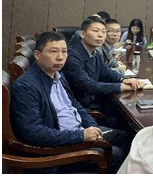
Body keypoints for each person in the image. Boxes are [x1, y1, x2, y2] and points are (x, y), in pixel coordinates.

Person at [10, 32, 131, 173]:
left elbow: (74, 105)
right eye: (54, 51)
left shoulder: (58, 75)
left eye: (64, 51)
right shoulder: (26, 86)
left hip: (77, 132)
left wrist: (93, 126)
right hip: (57, 148)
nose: (60, 57)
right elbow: (34, 133)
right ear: (37, 55)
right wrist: (81, 136)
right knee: (115, 154)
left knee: (126, 137)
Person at [62, 16, 146, 111]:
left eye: (103, 32)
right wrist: (122, 86)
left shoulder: (95, 53)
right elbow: (88, 86)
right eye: (95, 31)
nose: (100, 35)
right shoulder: (72, 56)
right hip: (81, 106)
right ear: (82, 34)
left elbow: (106, 72)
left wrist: (123, 79)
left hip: (95, 99)